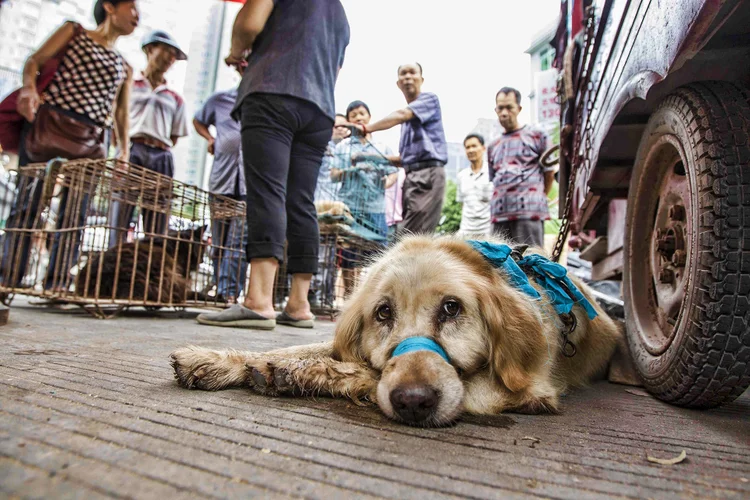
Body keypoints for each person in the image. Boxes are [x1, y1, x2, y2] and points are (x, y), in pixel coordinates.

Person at [196, 0, 349, 330]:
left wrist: (237, 53)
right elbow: (333, 69)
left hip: (272, 92)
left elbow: (249, 23)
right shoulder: (340, 14)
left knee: (267, 192)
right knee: (301, 202)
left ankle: (259, 301)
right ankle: (299, 304)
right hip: (319, 109)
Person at [1, 0, 138, 289]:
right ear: (110, 7)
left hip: (91, 141)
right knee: (28, 204)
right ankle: (8, 277)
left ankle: (58, 283)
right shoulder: (73, 32)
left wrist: (123, 150)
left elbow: (122, 113)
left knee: (75, 213)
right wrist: (28, 89)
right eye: (132, 7)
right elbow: (35, 60)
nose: (137, 15)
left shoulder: (125, 66)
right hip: (50, 125)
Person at [349, 62, 448, 235]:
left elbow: (402, 114)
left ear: (421, 79)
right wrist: (367, 157)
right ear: (398, 83)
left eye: (412, 73)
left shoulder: (429, 100)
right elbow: (403, 160)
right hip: (411, 178)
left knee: (412, 236)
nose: (408, 77)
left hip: (428, 175)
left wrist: (367, 128)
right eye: (403, 73)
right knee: (410, 235)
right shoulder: (406, 126)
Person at [111, 29, 188, 240]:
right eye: (166, 51)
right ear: (150, 49)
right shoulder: (129, 85)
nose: (170, 59)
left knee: (157, 223)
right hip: (131, 151)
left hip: (161, 156)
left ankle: (149, 267)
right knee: (119, 215)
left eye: (174, 56)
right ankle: (113, 265)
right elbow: (115, 121)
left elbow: (174, 136)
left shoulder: (175, 98)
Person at [331, 100, 397, 296]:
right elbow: (333, 174)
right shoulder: (342, 147)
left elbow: (393, 173)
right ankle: (351, 296)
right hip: (350, 208)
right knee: (349, 256)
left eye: (361, 113)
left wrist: (384, 183)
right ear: (349, 122)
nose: (358, 118)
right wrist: (352, 170)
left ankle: (374, 296)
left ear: (369, 117)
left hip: (375, 208)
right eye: (353, 116)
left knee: (378, 255)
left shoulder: (382, 147)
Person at [193, 74, 248, 304]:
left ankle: (229, 293)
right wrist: (210, 138)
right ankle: (220, 286)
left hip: (248, 184)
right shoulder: (220, 99)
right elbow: (198, 121)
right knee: (219, 241)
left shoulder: (264, 103)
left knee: (238, 242)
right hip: (221, 180)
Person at [488, 87, 553, 247]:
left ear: (519, 108)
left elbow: (549, 172)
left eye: (509, 107)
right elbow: (493, 178)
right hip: (499, 215)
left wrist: (538, 195)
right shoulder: (492, 145)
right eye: (500, 108)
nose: (504, 113)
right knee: (499, 267)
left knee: (531, 262)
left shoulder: (537, 135)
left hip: (529, 213)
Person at [456, 133, 493, 236]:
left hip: (488, 232)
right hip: (466, 232)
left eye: (474, 146)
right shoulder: (461, 176)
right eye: (467, 147)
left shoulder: (492, 172)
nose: (471, 150)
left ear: (483, 148)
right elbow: (462, 204)